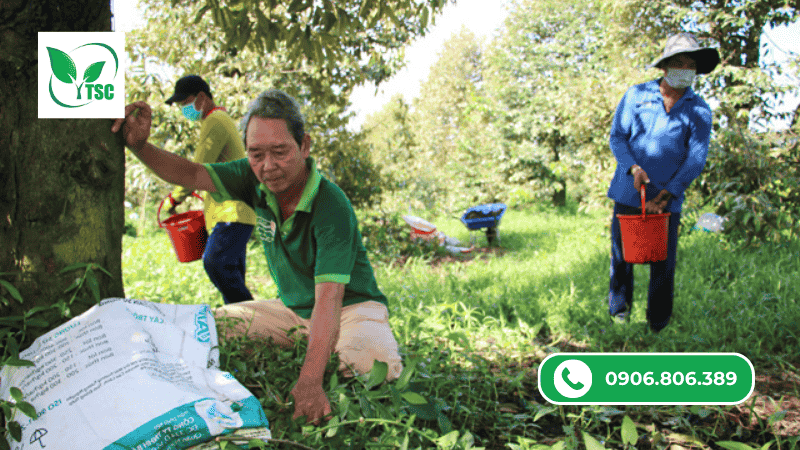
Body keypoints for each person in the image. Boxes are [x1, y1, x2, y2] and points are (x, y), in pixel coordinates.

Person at [111, 89, 403, 424]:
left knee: (369, 368)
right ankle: (312, 345)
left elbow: (330, 298)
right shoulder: (250, 177)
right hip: (292, 310)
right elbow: (192, 174)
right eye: (256, 154)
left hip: (351, 307)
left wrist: (310, 381)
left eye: (280, 152)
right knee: (208, 327)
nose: (268, 167)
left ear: (304, 146)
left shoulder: (330, 204)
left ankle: (335, 349)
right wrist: (139, 146)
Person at [606, 33, 720, 332]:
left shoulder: (699, 111)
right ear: (666, 66)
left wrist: (667, 193)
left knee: (663, 262)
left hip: (668, 200)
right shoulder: (636, 96)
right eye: (679, 62)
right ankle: (619, 313)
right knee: (622, 256)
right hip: (629, 192)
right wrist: (633, 167)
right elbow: (617, 136)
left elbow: (696, 157)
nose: (686, 69)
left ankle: (658, 324)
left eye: (691, 64)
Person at [163, 75, 256, 305]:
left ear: (202, 98)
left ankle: (256, 318)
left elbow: (195, 171)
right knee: (231, 274)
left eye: (186, 102)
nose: (184, 109)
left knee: (215, 262)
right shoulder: (219, 120)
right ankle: (245, 324)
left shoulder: (215, 121)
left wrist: (172, 199)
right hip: (233, 211)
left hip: (232, 212)